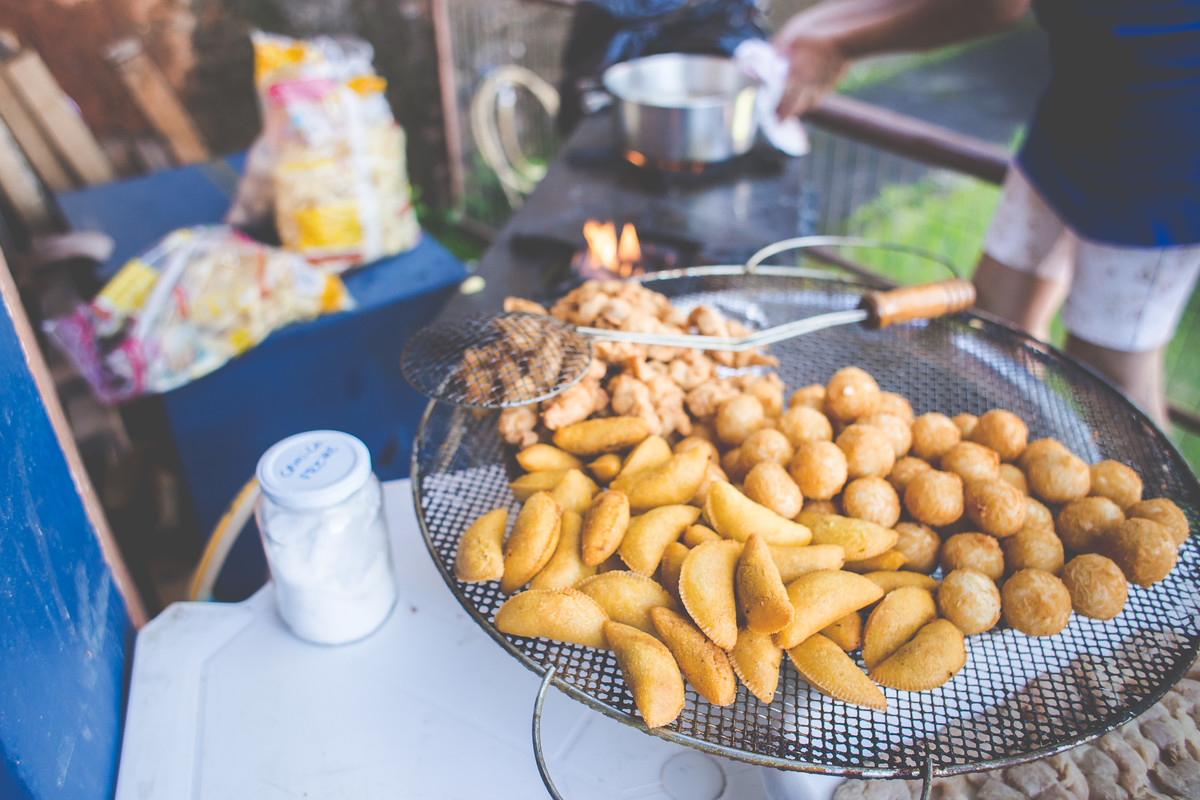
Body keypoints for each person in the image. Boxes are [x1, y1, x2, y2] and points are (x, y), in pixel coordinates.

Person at [773, 0, 1200, 429]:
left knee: (1109, 369)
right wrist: (819, 26)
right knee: (997, 314)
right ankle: (1008, 442)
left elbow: (991, 8)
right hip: (1076, 105)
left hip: (1169, 136)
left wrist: (840, 45)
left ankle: (1161, 497)